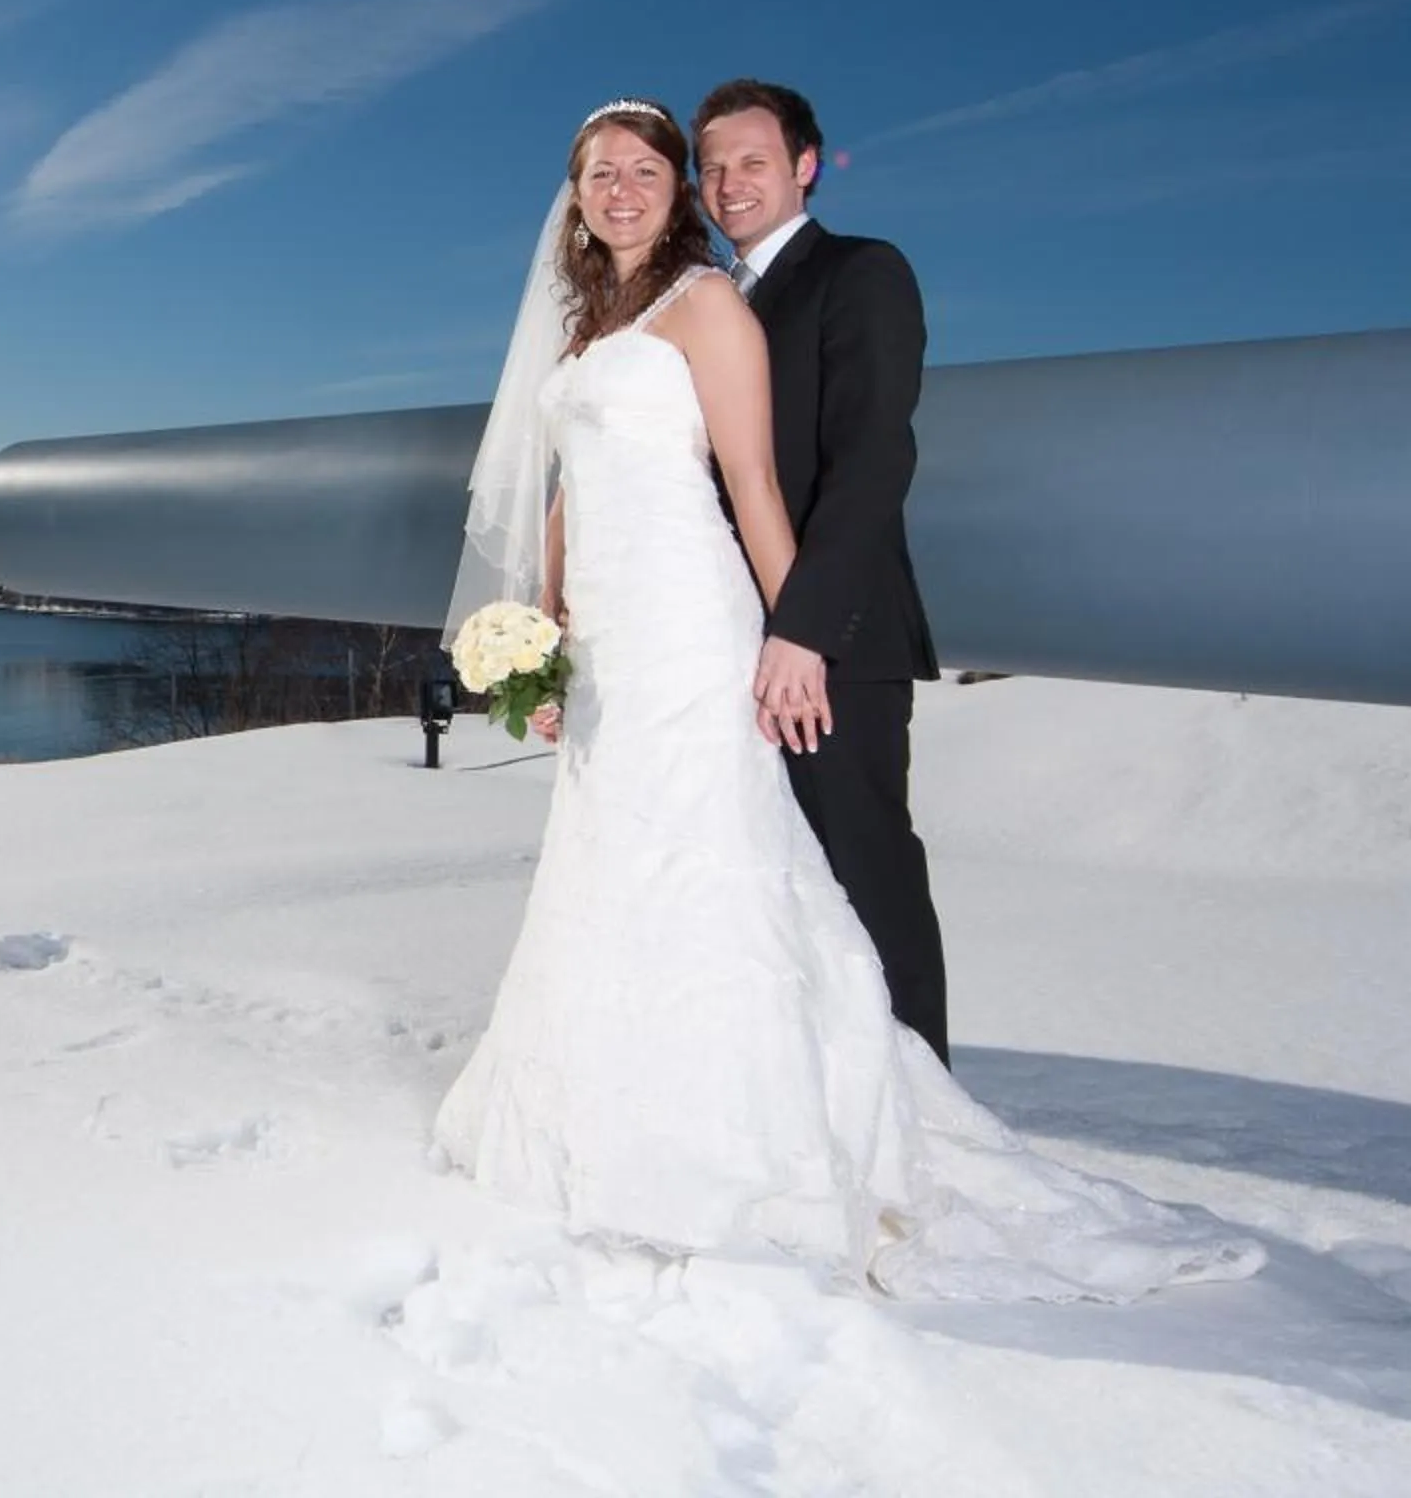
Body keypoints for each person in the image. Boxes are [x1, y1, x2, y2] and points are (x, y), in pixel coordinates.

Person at [430, 98, 1256, 1300]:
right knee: (621, 867)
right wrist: (548, 636)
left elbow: (780, 479)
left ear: (779, 171)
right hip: (616, 641)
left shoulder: (739, 297)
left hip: (716, 627)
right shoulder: (591, 326)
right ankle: (620, 1109)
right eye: (606, 171)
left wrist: (795, 630)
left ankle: (825, 1130)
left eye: (654, 168)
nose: (630, 186)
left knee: (758, 868)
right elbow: (570, 490)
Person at [695, 76, 949, 1064]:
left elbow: (874, 458)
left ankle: (926, 1106)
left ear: (805, 165)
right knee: (768, 882)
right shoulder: (706, 303)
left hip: (833, 643)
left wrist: (802, 627)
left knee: (865, 874)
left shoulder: (861, 272)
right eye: (711, 167)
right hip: (728, 643)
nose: (729, 182)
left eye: (752, 160)